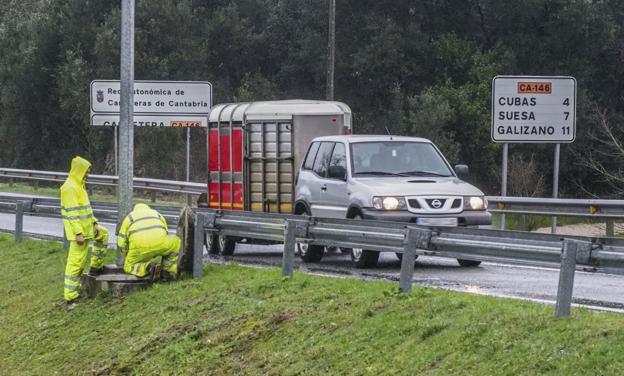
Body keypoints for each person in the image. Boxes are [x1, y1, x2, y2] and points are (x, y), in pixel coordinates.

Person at [61, 156, 109, 306]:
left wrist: (94, 223)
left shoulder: (79, 184)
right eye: (87, 170)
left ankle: (96, 267)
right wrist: (78, 234)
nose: (88, 173)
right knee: (76, 262)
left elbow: (86, 208)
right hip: (80, 233)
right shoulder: (69, 188)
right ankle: (71, 297)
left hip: (88, 228)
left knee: (104, 235)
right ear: (79, 170)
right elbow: (72, 213)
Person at [117, 203, 181, 281]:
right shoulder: (157, 213)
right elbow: (165, 231)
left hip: (139, 247)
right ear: (147, 208)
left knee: (128, 266)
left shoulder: (129, 217)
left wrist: (127, 255)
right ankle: (167, 272)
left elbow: (121, 242)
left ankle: (149, 267)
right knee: (176, 243)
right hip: (160, 242)